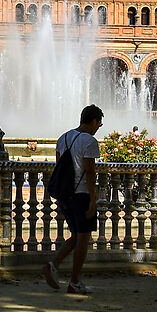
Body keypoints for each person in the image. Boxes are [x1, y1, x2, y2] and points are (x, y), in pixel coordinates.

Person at [45, 104, 103, 296]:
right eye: (99, 124)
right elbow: (90, 172)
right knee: (83, 238)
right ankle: (75, 282)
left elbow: (59, 166)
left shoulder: (63, 138)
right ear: (93, 121)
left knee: (77, 236)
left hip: (65, 194)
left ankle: (53, 264)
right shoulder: (89, 141)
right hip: (81, 194)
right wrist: (93, 200)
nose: (98, 128)